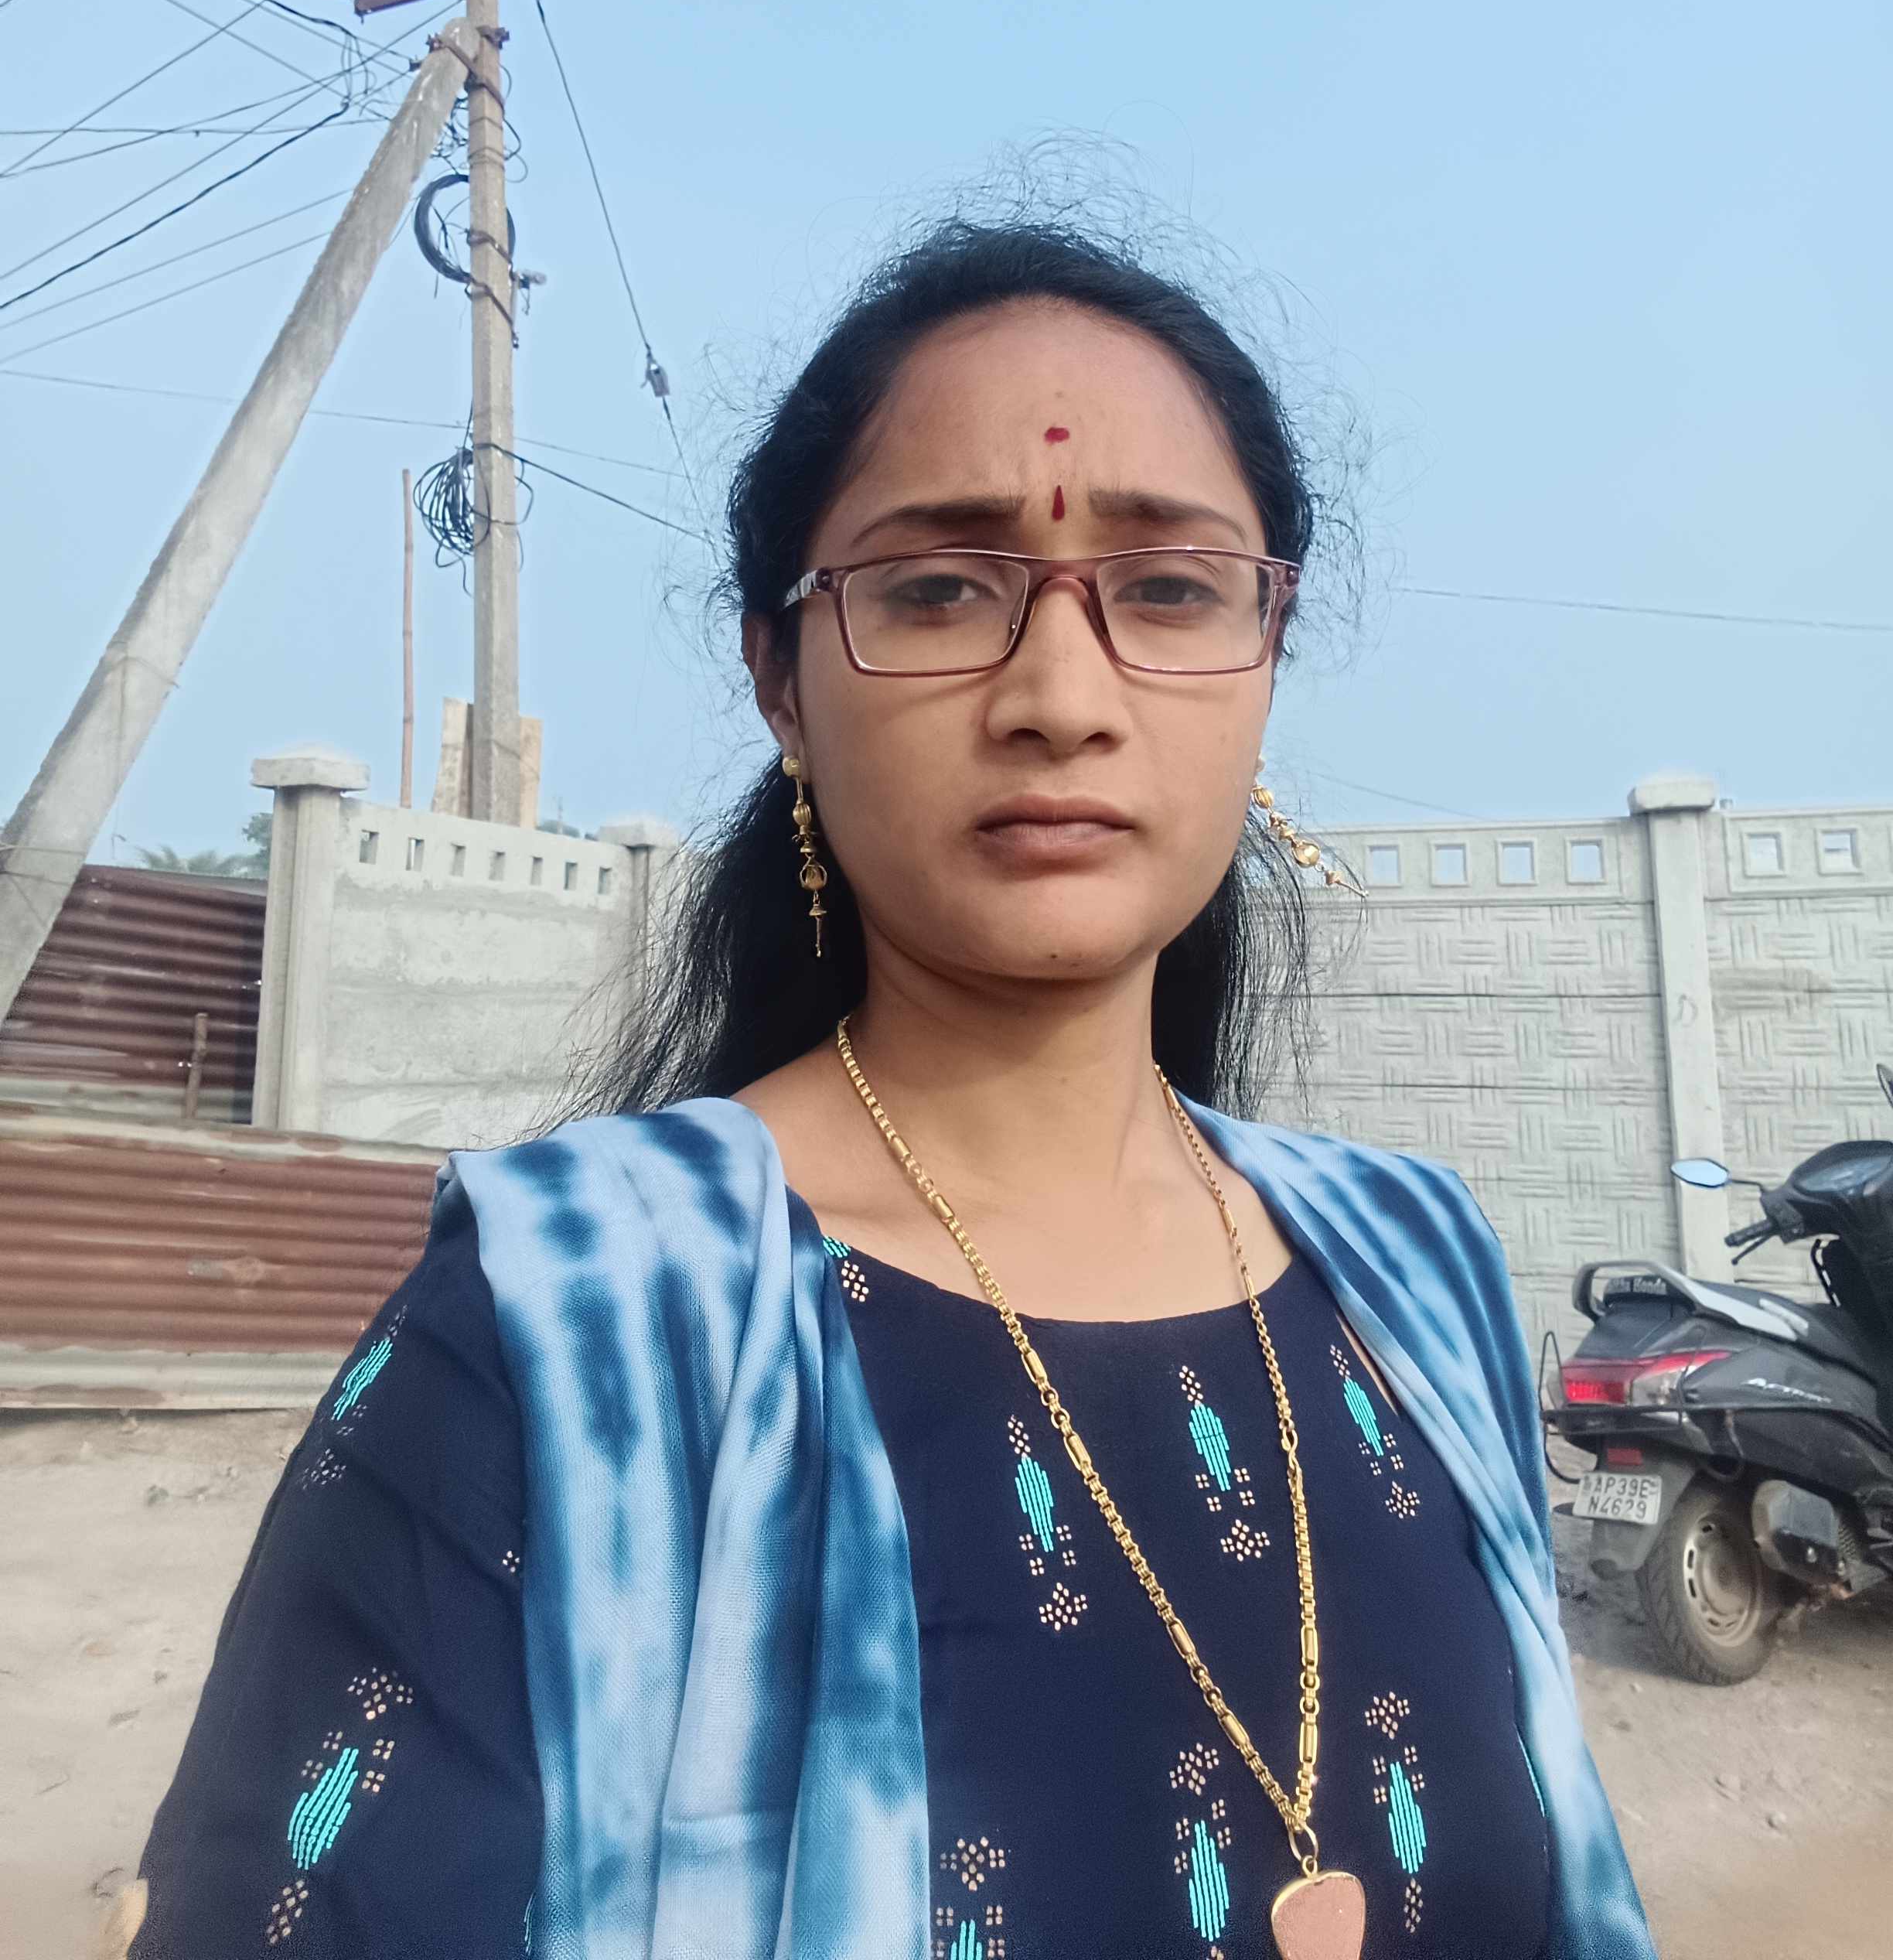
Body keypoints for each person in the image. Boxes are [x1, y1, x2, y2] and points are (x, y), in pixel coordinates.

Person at [114, 220, 1653, 1960]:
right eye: (937, 591)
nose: (1062, 697)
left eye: (1168, 589)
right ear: (781, 680)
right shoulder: (565, 1331)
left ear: (1268, 651)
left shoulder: (1418, 1273)